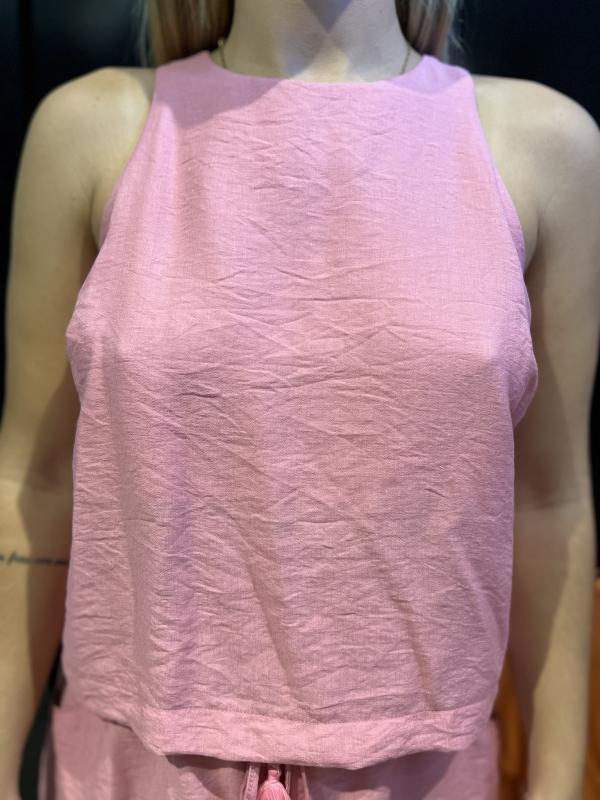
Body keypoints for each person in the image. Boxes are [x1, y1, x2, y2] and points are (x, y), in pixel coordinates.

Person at [1, 1, 598, 798]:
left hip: (424, 774)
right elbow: (34, 486)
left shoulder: (541, 148)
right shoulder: (93, 132)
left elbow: (550, 503)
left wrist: (558, 784)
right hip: (131, 768)